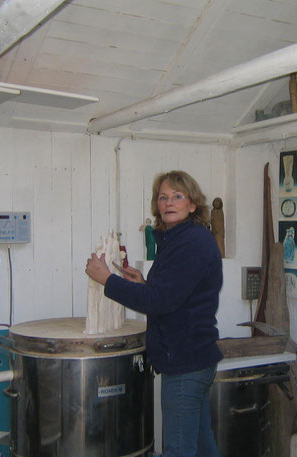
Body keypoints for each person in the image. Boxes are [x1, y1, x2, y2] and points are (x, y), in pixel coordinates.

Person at [85, 170, 223, 457]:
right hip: (194, 358)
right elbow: (177, 296)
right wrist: (144, 284)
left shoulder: (191, 243)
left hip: (186, 363)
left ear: (193, 205)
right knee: (201, 446)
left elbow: (159, 301)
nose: (169, 202)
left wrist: (107, 280)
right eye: (163, 197)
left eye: (177, 196)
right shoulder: (178, 239)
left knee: (178, 449)